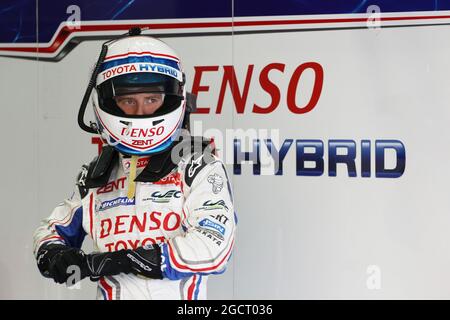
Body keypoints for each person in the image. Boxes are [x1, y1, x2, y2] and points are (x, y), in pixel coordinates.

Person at [33, 28, 236, 300]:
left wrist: (125, 260)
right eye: (128, 100)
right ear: (106, 101)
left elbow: (214, 248)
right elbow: (51, 230)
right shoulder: (97, 175)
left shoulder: (197, 164)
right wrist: (52, 252)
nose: (141, 111)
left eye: (152, 99)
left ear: (175, 97)